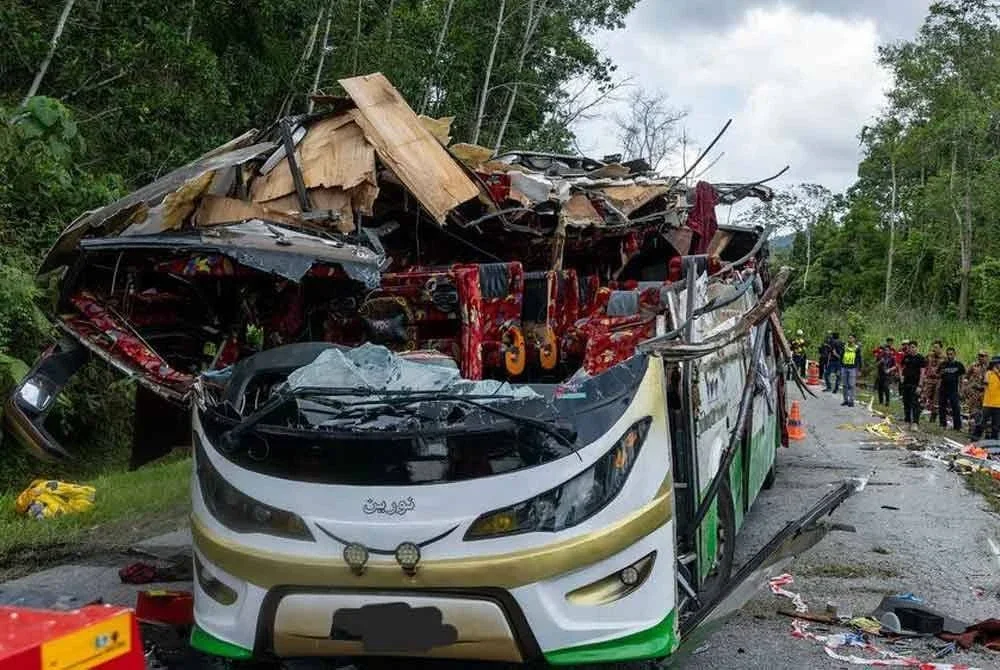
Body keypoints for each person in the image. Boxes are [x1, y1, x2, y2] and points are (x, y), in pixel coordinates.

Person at [937, 347, 966, 431]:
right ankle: (943, 424)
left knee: (956, 407)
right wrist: (940, 375)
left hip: (953, 389)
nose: (949, 356)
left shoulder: (959, 365)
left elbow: (962, 378)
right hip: (943, 388)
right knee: (942, 406)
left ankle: (957, 426)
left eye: (951, 354)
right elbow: (938, 376)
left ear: (954, 354)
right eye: (948, 354)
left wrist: (961, 389)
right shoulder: (943, 364)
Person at [962, 350, 989, 438]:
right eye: (980, 356)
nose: (981, 358)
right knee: (973, 413)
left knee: (983, 414)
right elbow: (966, 376)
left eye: (983, 356)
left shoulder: (990, 367)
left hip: (985, 393)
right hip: (974, 393)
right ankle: (971, 432)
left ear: (986, 357)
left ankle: (982, 432)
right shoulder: (974, 366)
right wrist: (966, 386)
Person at [899, 341, 926, 428]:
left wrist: (920, 385)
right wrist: (901, 376)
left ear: (917, 348)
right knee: (906, 402)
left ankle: (915, 422)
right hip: (906, 383)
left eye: (913, 347)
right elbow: (900, 366)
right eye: (910, 347)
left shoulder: (921, 358)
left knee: (915, 403)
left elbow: (922, 373)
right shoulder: (906, 357)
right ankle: (907, 420)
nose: (912, 349)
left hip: (915, 384)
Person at [921, 340, 945, 423]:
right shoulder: (929, 355)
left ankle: (932, 420)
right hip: (929, 379)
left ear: (941, 348)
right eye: (933, 347)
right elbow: (922, 364)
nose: (934, 349)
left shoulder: (944, 358)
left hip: (939, 380)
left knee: (936, 400)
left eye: (936, 347)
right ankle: (917, 414)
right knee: (924, 396)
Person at [840, 334, 863, 407]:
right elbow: (841, 357)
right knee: (844, 385)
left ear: (854, 339)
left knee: (852, 385)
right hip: (844, 367)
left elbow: (859, 359)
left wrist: (859, 370)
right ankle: (845, 400)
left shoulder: (857, 348)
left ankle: (851, 401)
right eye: (849, 338)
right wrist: (840, 367)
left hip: (853, 368)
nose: (850, 339)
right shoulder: (844, 347)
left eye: (851, 338)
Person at [982, 357, 1000, 440]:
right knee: (983, 422)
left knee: (996, 425)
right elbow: (985, 382)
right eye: (996, 364)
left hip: (998, 404)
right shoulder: (988, 373)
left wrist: (997, 374)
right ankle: (975, 438)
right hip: (987, 403)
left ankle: (994, 441)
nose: (997, 365)